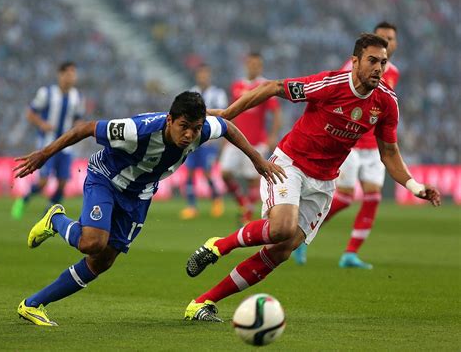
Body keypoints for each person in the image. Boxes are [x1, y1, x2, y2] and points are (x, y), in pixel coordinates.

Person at [183, 33, 441, 322]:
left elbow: (390, 153)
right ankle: (218, 245)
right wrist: (228, 114)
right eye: (372, 61)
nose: (379, 68)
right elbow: (273, 87)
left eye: (383, 62)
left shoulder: (386, 102)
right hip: (290, 164)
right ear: (355, 62)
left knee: (282, 251)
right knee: (281, 227)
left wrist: (415, 186)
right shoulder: (331, 84)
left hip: (324, 181)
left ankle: (201, 303)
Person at [13, 91, 285, 326]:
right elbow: (85, 128)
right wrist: (44, 154)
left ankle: (33, 304)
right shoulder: (136, 130)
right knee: (92, 243)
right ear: (170, 120)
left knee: (102, 261)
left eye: (196, 127)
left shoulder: (201, 131)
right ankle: (56, 219)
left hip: (139, 195)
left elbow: (227, 126)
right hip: (106, 179)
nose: (190, 134)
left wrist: (257, 160)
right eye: (184, 126)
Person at [293, 22, 400, 268]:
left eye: (391, 38)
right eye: (384, 37)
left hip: (374, 146)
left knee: (373, 196)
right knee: (346, 197)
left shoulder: (393, 72)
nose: (388, 42)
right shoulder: (354, 67)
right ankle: (302, 232)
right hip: (349, 143)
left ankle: (350, 253)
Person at [11, 61, 85, 219]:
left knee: (63, 183)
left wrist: (78, 130)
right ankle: (23, 200)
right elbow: (30, 113)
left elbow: (78, 119)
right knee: (43, 182)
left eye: (74, 73)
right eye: (69, 73)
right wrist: (42, 124)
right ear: (61, 74)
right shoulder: (47, 93)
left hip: (66, 146)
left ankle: (49, 212)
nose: (72, 77)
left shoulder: (77, 97)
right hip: (47, 144)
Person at [220, 52, 282, 224]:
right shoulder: (237, 85)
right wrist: (225, 134)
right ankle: (243, 203)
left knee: (253, 179)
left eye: (257, 64)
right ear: (246, 64)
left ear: (260, 66)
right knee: (225, 173)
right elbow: (231, 111)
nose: (254, 67)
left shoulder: (265, 86)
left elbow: (276, 112)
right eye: (251, 64)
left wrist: (272, 136)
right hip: (236, 137)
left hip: (257, 140)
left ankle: (247, 214)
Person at [180, 64, 228, 220]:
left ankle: (216, 200)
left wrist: (217, 137)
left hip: (209, 140)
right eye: (201, 74)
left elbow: (223, 115)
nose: (203, 77)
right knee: (190, 172)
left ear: (209, 76)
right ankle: (191, 206)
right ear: (197, 76)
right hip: (193, 140)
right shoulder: (191, 93)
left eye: (205, 74)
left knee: (207, 173)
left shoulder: (218, 94)